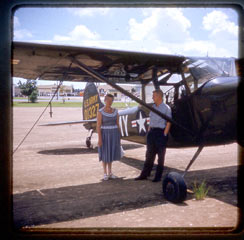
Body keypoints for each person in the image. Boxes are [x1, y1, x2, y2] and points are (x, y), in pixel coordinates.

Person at [135, 89, 172, 182]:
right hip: (152, 133)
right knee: (149, 155)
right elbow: (151, 121)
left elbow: (168, 122)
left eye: (154, 96)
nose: (152, 97)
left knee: (160, 157)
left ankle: (158, 177)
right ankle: (144, 174)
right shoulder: (153, 107)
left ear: (159, 96)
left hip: (160, 133)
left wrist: (164, 134)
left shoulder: (166, 108)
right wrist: (149, 131)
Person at [97, 94, 121, 180]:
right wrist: (99, 139)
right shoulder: (100, 112)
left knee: (110, 153)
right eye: (108, 101)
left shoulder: (115, 111)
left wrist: (119, 136)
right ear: (105, 100)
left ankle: (110, 172)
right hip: (105, 135)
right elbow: (98, 126)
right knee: (105, 154)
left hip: (114, 134)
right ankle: (105, 173)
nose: (110, 103)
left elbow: (118, 124)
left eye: (111, 101)